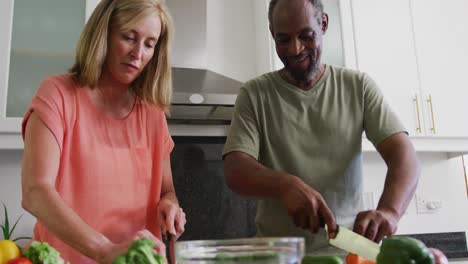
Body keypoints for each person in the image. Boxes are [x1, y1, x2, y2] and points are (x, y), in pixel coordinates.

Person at [223, 0, 421, 257]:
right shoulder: (255, 94)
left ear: (323, 24)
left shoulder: (358, 87)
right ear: (272, 33)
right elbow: (235, 169)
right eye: (283, 39)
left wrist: (390, 211)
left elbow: (404, 155)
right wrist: (285, 185)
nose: (295, 49)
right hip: (280, 254)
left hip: (351, 248)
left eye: (306, 36)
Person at [20, 0, 185, 263]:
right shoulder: (58, 95)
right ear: (103, 33)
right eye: (129, 37)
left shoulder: (152, 112)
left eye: (149, 44)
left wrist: (170, 205)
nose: (138, 53)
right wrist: (105, 249)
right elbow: (35, 192)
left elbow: (167, 190)